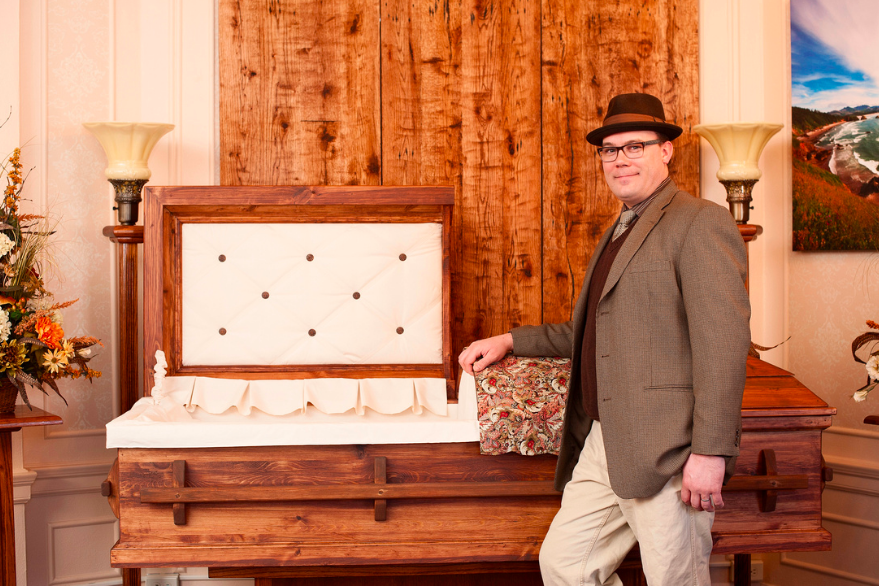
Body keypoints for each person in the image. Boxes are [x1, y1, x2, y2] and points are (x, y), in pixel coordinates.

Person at [458, 93, 751, 586]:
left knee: (674, 580)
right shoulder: (620, 227)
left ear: (666, 151)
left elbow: (723, 345)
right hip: (605, 436)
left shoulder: (699, 222)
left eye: (634, 146)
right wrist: (511, 339)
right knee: (565, 566)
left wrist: (710, 452)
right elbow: (596, 331)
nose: (620, 160)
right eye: (609, 150)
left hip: (671, 449)